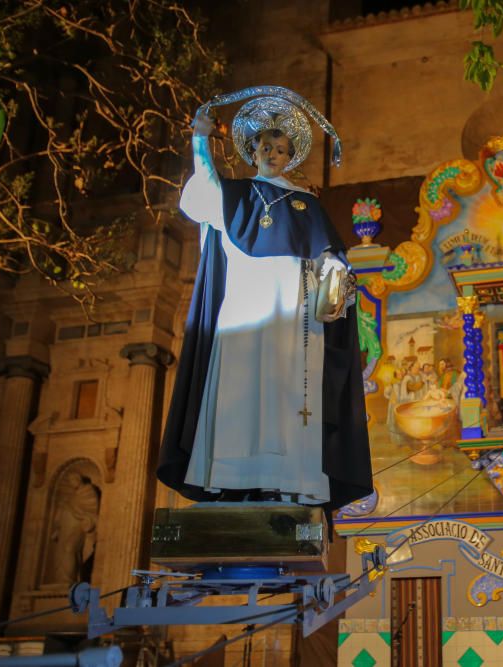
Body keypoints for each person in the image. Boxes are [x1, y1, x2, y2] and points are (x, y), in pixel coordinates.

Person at [157, 88, 372, 509]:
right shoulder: (234, 195)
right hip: (243, 309)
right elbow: (201, 195)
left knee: (287, 396)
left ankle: (286, 480)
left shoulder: (307, 203)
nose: (273, 153)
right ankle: (227, 480)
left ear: (290, 156)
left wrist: (335, 287)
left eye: (281, 148)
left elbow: (332, 261)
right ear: (252, 149)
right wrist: (199, 142)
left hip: (295, 318)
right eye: (266, 146)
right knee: (238, 392)